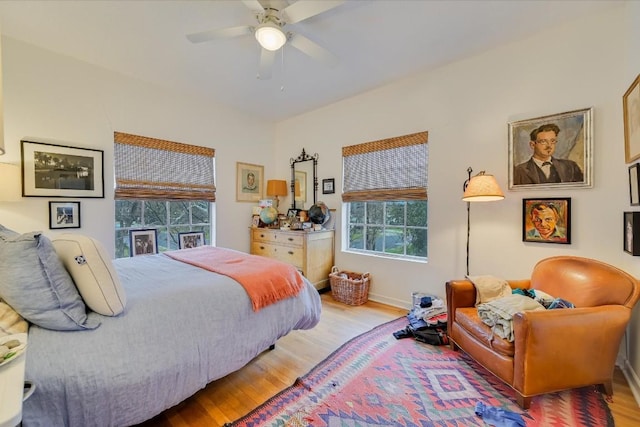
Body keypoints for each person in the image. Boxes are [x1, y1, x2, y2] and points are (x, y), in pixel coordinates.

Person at [513, 123, 584, 185]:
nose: (549, 146)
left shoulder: (571, 167)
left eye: (552, 141)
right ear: (532, 145)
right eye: (543, 141)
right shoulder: (519, 170)